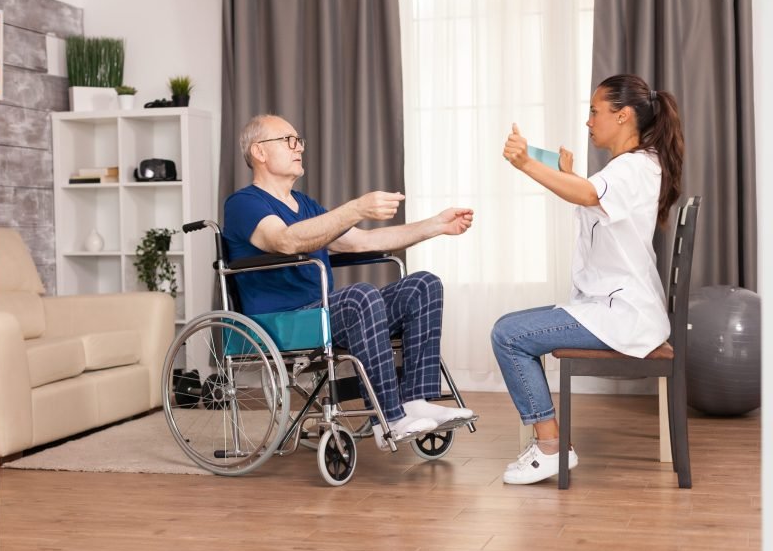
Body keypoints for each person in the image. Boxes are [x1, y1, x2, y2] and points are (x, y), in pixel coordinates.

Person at [223, 114, 476, 450]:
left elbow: (361, 242)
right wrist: (356, 208)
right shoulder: (243, 203)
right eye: (288, 140)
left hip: (321, 315)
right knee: (360, 297)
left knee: (423, 286)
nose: (299, 148)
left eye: (299, 141)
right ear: (259, 152)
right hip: (282, 322)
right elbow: (285, 240)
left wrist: (435, 225)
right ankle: (388, 419)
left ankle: (415, 401)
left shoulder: (306, 205)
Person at [491, 74, 684, 484]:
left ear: (623, 115)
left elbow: (587, 195)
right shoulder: (634, 166)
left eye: (595, 112)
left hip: (623, 315)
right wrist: (569, 174)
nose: (589, 121)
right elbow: (591, 194)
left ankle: (551, 448)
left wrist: (526, 164)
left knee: (508, 335)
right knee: (509, 327)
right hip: (615, 308)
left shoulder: (634, 167)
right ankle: (550, 443)